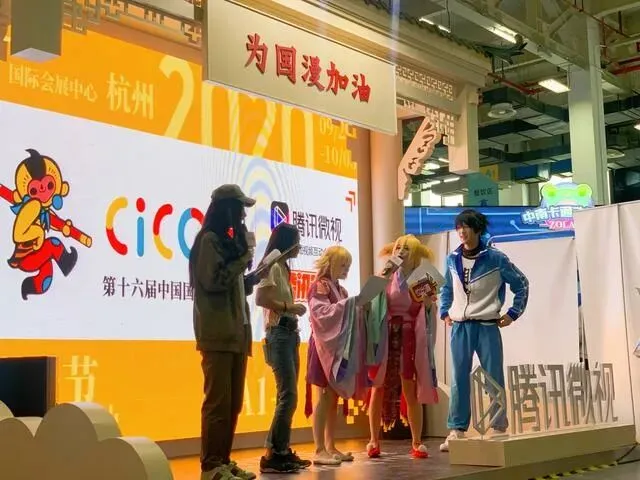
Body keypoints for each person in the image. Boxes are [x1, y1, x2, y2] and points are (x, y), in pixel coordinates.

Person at [439, 209, 529, 453]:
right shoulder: (452, 259)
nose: (461, 231)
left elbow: (521, 283)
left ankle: (499, 427)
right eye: (458, 227)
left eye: (466, 226)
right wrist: (444, 311)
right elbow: (446, 288)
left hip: (487, 325)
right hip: (460, 326)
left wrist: (513, 313)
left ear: (478, 229)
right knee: (458, 377)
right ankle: (457, 429)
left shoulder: (495, 258)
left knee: (493, 377)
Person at [189, 184, 262, 480]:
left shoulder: (227, 243)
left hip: (236, 334)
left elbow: (231, 284)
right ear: (227, 210)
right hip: (218, 334)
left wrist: (251, 278)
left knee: (232, 404)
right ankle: (210, 466)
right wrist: (243, 259)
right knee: (218, 403)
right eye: (240, 208)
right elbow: (214, 280)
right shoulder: (209, 240)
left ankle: (223, 460)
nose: (243, 215)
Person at [366, 234, 439, 459]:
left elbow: (428, 310)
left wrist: (429, 304)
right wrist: (384, 274)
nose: (401, 252)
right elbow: (366, 298)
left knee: (410, 387)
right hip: (385, 334)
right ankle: (373, 440)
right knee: (378, 386)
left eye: (406, 249)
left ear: (414, 254)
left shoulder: (422, 278)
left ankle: (416, 441)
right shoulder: (387, 275)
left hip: (408, 335)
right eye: (398, 247)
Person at [305, 246, 370, 466]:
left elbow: (346, 314)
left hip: (337, 348)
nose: (346, 269)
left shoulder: (341, 290)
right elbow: (320, 314)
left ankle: (330, 446)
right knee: (323, 397)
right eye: (343, 265)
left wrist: (360, 307)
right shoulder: (319, 286)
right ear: (330, 263)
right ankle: (319, 449)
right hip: (322, 347)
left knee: (333, 399)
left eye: (348, 265)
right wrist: (352, 304)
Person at [255, 223, 311, 473]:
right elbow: (261, 298)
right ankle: (274, 453)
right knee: (288, 395)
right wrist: (290, 307)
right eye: (296, 240)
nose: (299, 246)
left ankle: (280, 450)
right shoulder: (273, 266)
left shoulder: (282, 268)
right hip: (278, 334)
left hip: (289, 334)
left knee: (287, 396)